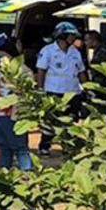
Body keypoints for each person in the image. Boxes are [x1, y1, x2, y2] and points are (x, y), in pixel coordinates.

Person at [34, 21, 88, 154]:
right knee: (50, 121)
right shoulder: (48, 51)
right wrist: (40, 90)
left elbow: (81, 71)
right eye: (71, 35)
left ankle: (67, 145)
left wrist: (88, 88)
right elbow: (41, 71)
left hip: (72, 92)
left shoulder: (75, 52)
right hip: (53, 91)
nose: (74, 38)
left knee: (70, 119)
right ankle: (45, 146)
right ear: (62, 36)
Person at [0, 40, 32, 170]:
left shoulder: (23, 71)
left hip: (15, 115)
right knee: (4, 147)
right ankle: (5, 174)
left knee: (20, 147)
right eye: (1, 57)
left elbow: (27, 94)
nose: (3, 60)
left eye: (6, 57)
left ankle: (27, 174)